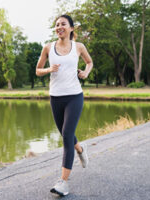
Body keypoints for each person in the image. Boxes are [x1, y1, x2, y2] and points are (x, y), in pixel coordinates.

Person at [35, 14, 93, 196]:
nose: (59, 27)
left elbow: (89, 62)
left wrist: (85, 72)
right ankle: (81, 150)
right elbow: (38, 70)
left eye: (63, 24)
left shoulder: (79, 47)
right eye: (57, 24)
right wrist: (49, 69)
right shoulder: (48, 47)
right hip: (55, 98)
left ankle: (63, 182)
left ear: (71, 28)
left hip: (75, 96)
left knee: (67, 135)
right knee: (65, 133)